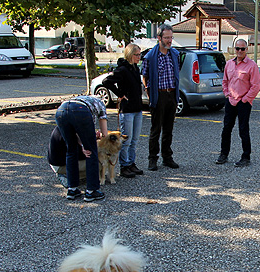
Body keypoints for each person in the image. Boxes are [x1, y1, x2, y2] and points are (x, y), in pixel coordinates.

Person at [216, 39, 260, 167]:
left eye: (242, 49)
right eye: (237, 48)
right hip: (231, 100)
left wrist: (246, 99)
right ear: (234, 49)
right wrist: (227, 94)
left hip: (243, 102)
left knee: (243, 129)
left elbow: (255, 86)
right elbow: (225, 81)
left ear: (246, 49)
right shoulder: (229, 64)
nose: (240, 51)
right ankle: (223, 154)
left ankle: (246, 156)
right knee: (226, 128)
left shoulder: (252, 65)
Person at [142, 24, 180, 171]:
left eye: (171, 37)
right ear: (159, 38)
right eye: (166, 38)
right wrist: (149, 92)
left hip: (172, 94)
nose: (169, 40)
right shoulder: (151, 57)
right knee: (156, 129)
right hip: (159, 95)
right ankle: (152, 159)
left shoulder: (174, 54)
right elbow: (145, 76)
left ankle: (167, 157)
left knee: (168, 129)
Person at [103, 43, 144, 178]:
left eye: (140, 55)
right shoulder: (122, 70)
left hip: (137, 108)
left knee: (135, 140)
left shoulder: (135, 69)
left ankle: (131, 163)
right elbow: (107, 81)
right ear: (130, 55)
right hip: (127, 109)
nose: (139, 57)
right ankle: (124, 165)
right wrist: (119, 94)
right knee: (126, 138)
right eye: (137, 55)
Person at [55, 95, 107, 202]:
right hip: (80, 112)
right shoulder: (100, 104)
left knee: (71, 150)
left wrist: (83, 144)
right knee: (91, 151)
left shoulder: (81, 99)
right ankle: (91, 191)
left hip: (61, 110)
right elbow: (104, 133)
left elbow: (77, 133)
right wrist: (98, 137)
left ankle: (72, 189)